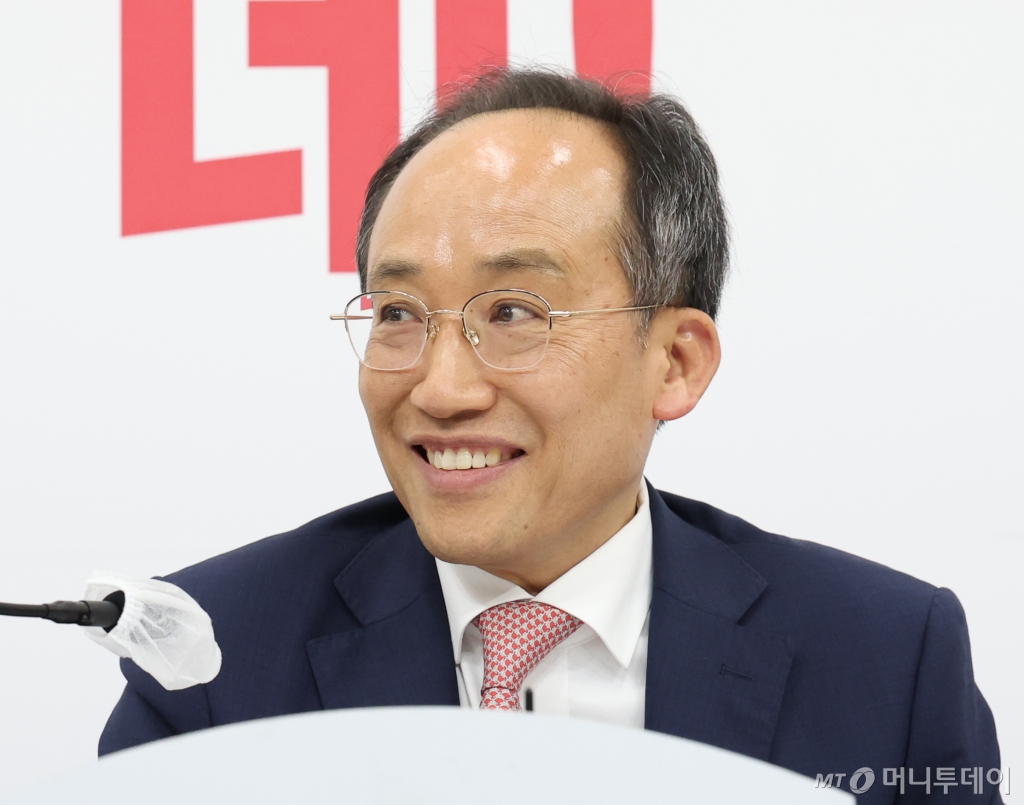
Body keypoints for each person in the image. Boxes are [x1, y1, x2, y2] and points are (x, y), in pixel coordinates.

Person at [99, 69, 1001, 801]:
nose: (440, 388)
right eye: (399, 313)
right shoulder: (213, 656)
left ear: (676, 361)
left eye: (513, 312)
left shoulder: (887, 656)